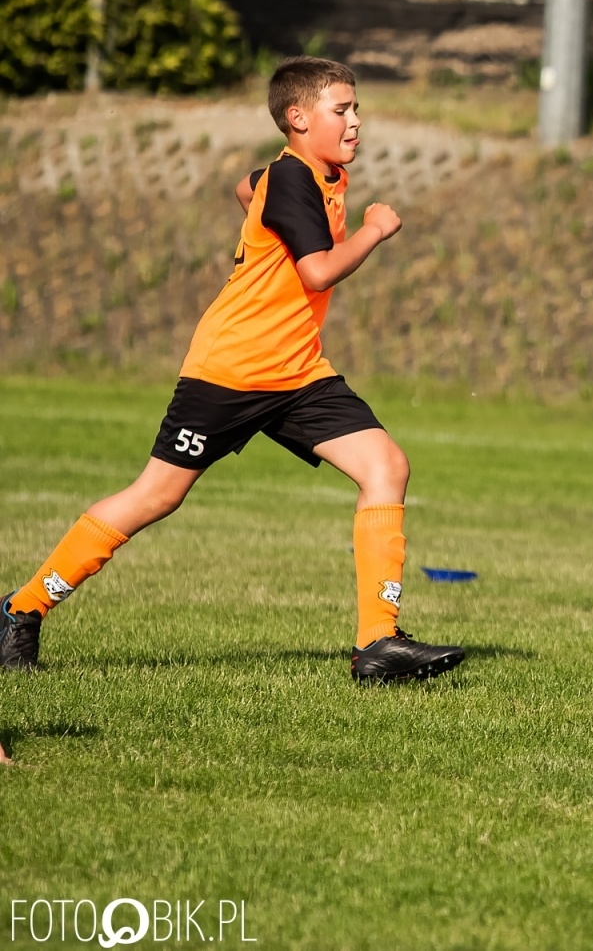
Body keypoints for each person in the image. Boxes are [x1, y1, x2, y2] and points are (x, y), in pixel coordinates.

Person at [0, 56, 464, 686]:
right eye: (342, 109)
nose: (356, 121)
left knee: (386, 466)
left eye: (356, 109)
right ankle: (20, 609)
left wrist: (258, 221)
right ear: (298, 118)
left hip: (297, 371)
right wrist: (376, 230)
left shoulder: (310, 173)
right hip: (230, 370)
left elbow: (247, 188)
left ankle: (377, 644)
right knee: (156, 495)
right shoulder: (296, 177)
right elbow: (318, 271)